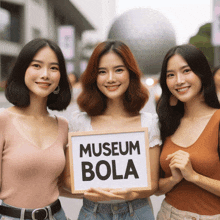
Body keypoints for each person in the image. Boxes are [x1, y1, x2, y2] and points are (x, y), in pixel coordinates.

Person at [68, 40, 161, 220]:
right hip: (93, 212)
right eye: (102, 72)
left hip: (137, 211)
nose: (110, 78)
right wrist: (94, 189)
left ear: (130, 74)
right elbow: (67, 179)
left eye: (119, 70)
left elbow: (153, 182)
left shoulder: (149, 123)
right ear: (93, 77)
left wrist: (131, 194)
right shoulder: (79, 122)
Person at [0, 38, 72, 220]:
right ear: (23, 69)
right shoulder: (3, 120)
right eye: (37, 66)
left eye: (54, 68)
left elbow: (64, 184)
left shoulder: (63, 125)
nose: (45, 74)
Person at [156, 44, 220, 219]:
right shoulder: (166, 122)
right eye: (171, 75)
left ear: (202, 73)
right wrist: (173, 179)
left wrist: (194, 176)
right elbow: (156, 187)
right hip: (167, 214)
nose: (178, 81)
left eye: (186, 71)